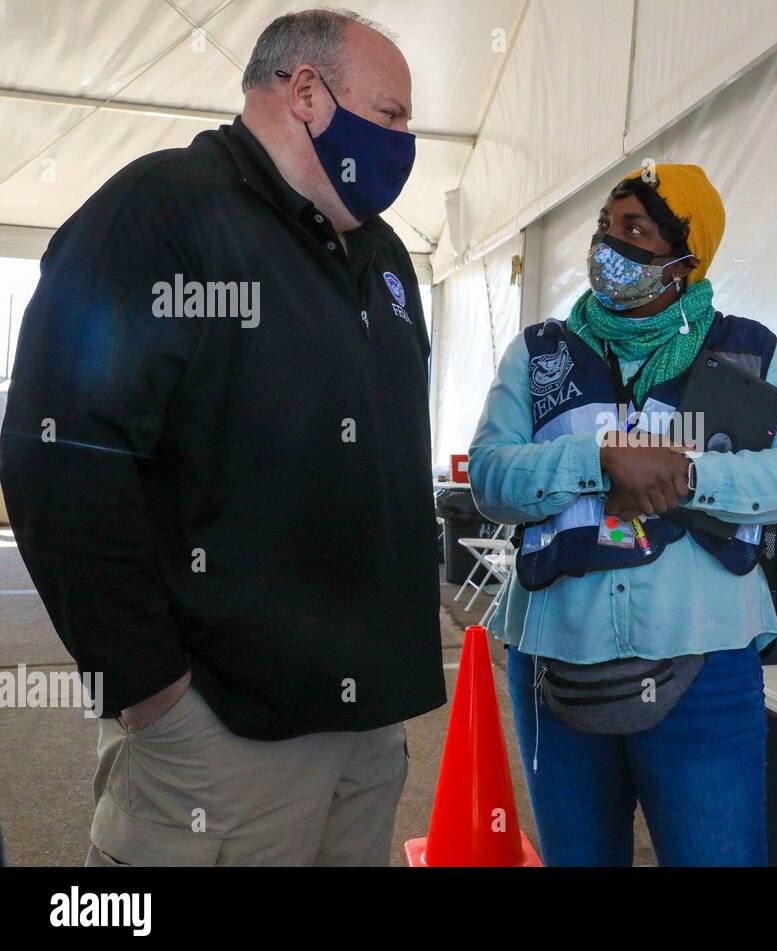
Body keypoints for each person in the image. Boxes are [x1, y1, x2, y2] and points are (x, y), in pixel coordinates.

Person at [0, 9, 444, 866]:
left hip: (366, 731)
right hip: (221, 736)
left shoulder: (384, 258)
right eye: (391, 115)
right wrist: (151, 693)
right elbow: (58, 456)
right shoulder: (160, 213)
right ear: (307, 93)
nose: (404, 140)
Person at [469, 164, 777, 865]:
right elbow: (490, 478)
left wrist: (685, 474)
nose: (610, 245)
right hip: (555, 664)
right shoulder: (539, 353)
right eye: (606, 226)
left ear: (685, 259)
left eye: (636, 229)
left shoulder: (747, 352)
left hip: (705, 663)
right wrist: (597, 460)